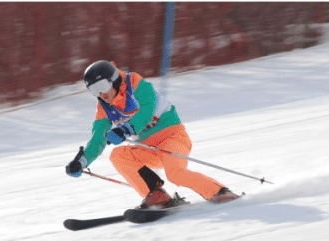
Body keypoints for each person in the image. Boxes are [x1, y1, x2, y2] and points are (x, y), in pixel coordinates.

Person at [65, 60, 238, 207]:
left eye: (102, 86)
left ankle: (219, 191)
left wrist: (126, 129)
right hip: (148, 148)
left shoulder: (135, 83)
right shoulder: (104, 108)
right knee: (118, 155)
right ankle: (157, 195)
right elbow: (97, 139)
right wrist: (81, 161)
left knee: (175, 174)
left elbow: (146, 110)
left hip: (172, 137)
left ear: (115, 80)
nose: (101, 94)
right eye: (94, 90)